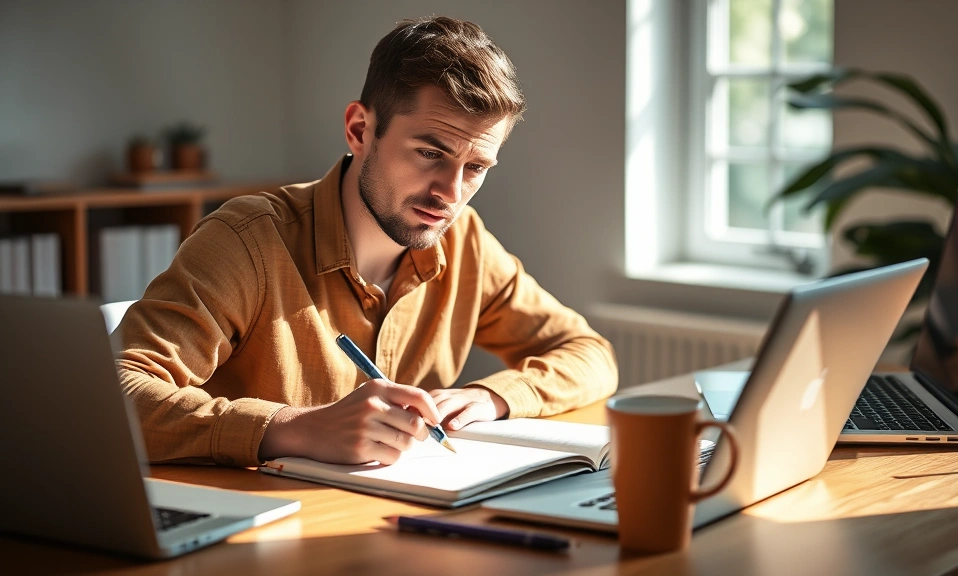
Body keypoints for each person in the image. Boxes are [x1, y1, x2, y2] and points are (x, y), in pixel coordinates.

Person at [116, 16, 618, 468]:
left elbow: (589, 353)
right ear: (360, 129)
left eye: (476, 168)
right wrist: (293, 428)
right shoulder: (248, 241)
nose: (449, 192)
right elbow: (118, 394)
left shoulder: (465, 241)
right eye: (429, 152)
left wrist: (495, 396)